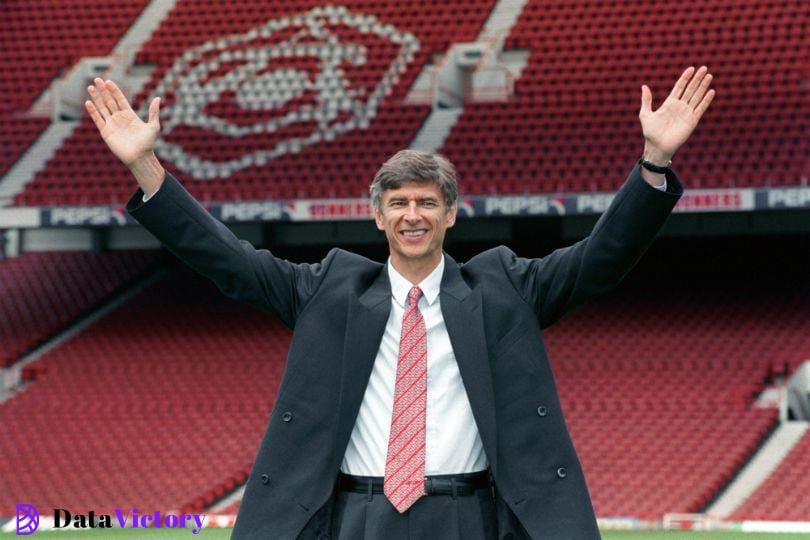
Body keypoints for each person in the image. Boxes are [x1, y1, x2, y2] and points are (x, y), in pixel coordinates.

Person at [86, 66, 714, 539]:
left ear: (450, 215)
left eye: (426, 203)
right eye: (400, 204)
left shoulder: (505, 289)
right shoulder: (328, 289)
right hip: (355, 514)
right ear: (378, 215)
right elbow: (226, 259)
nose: (413, 215)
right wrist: (146, 166)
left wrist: (655, 161)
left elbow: (600, 260)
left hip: (470, 515)